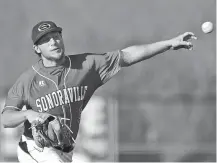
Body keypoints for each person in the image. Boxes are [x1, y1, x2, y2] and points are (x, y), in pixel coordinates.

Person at [1, 20, 197, 163]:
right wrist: (28, 113)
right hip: (36, 149)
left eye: (56, 36)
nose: (53, 42)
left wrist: (169, 44)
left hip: (66, 150)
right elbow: (6, 118)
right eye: (46, 40)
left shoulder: (86, 65)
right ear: (37, 48)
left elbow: (127, 56)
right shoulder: (28, 80)